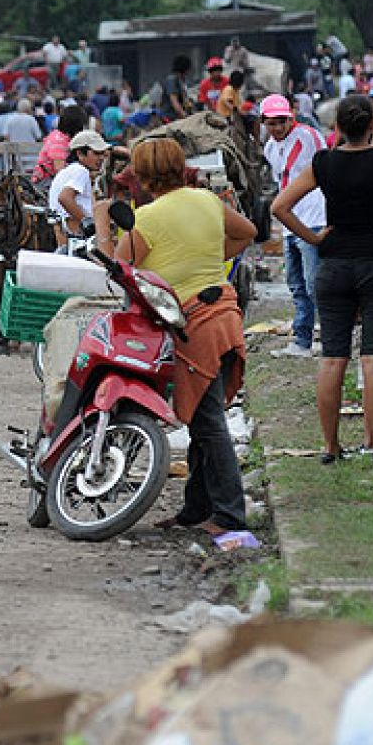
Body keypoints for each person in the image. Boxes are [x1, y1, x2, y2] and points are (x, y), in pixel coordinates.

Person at [93, 139, 258, 536]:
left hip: (192, 325)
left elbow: (116, 268)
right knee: (204, 417)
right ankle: (196, 510)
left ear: (143, 177)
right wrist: (203, 256)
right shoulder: (206, 201)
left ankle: (230, 515)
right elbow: (247, 232)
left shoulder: (147, 219)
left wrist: (103, 221)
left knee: (209, 421)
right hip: (223, 315)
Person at [272, 96, 373, 461]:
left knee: (333, 357)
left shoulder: (323, 163)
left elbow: (279, 206)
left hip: (334, 267)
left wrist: (313, 238)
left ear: (338, 129)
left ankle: (330, 447)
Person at [260, 95, 327, 357]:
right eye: (271, 122)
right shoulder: (270, 147)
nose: (277, 128)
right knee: (297, 284)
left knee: (314, 283)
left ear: (290, 118)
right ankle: (303, 340)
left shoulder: (306, 136)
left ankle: (326, 334)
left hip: (313, 216)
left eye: (281, 122)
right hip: (290, 221)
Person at [48, 130, 110, 244]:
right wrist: (87, 222)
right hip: (76, 236)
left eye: (102, 153)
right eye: (96, 153)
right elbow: (64, 198)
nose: (101, 158)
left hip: (65, 234)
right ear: (80, 154)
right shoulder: (80, 171)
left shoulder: (68, 171)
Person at [162, 56, 192, 121]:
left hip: (178, 118)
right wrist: (185, 116)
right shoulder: (172, 80)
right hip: (171, 118)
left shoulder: (181, 81)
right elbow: (174, 101)